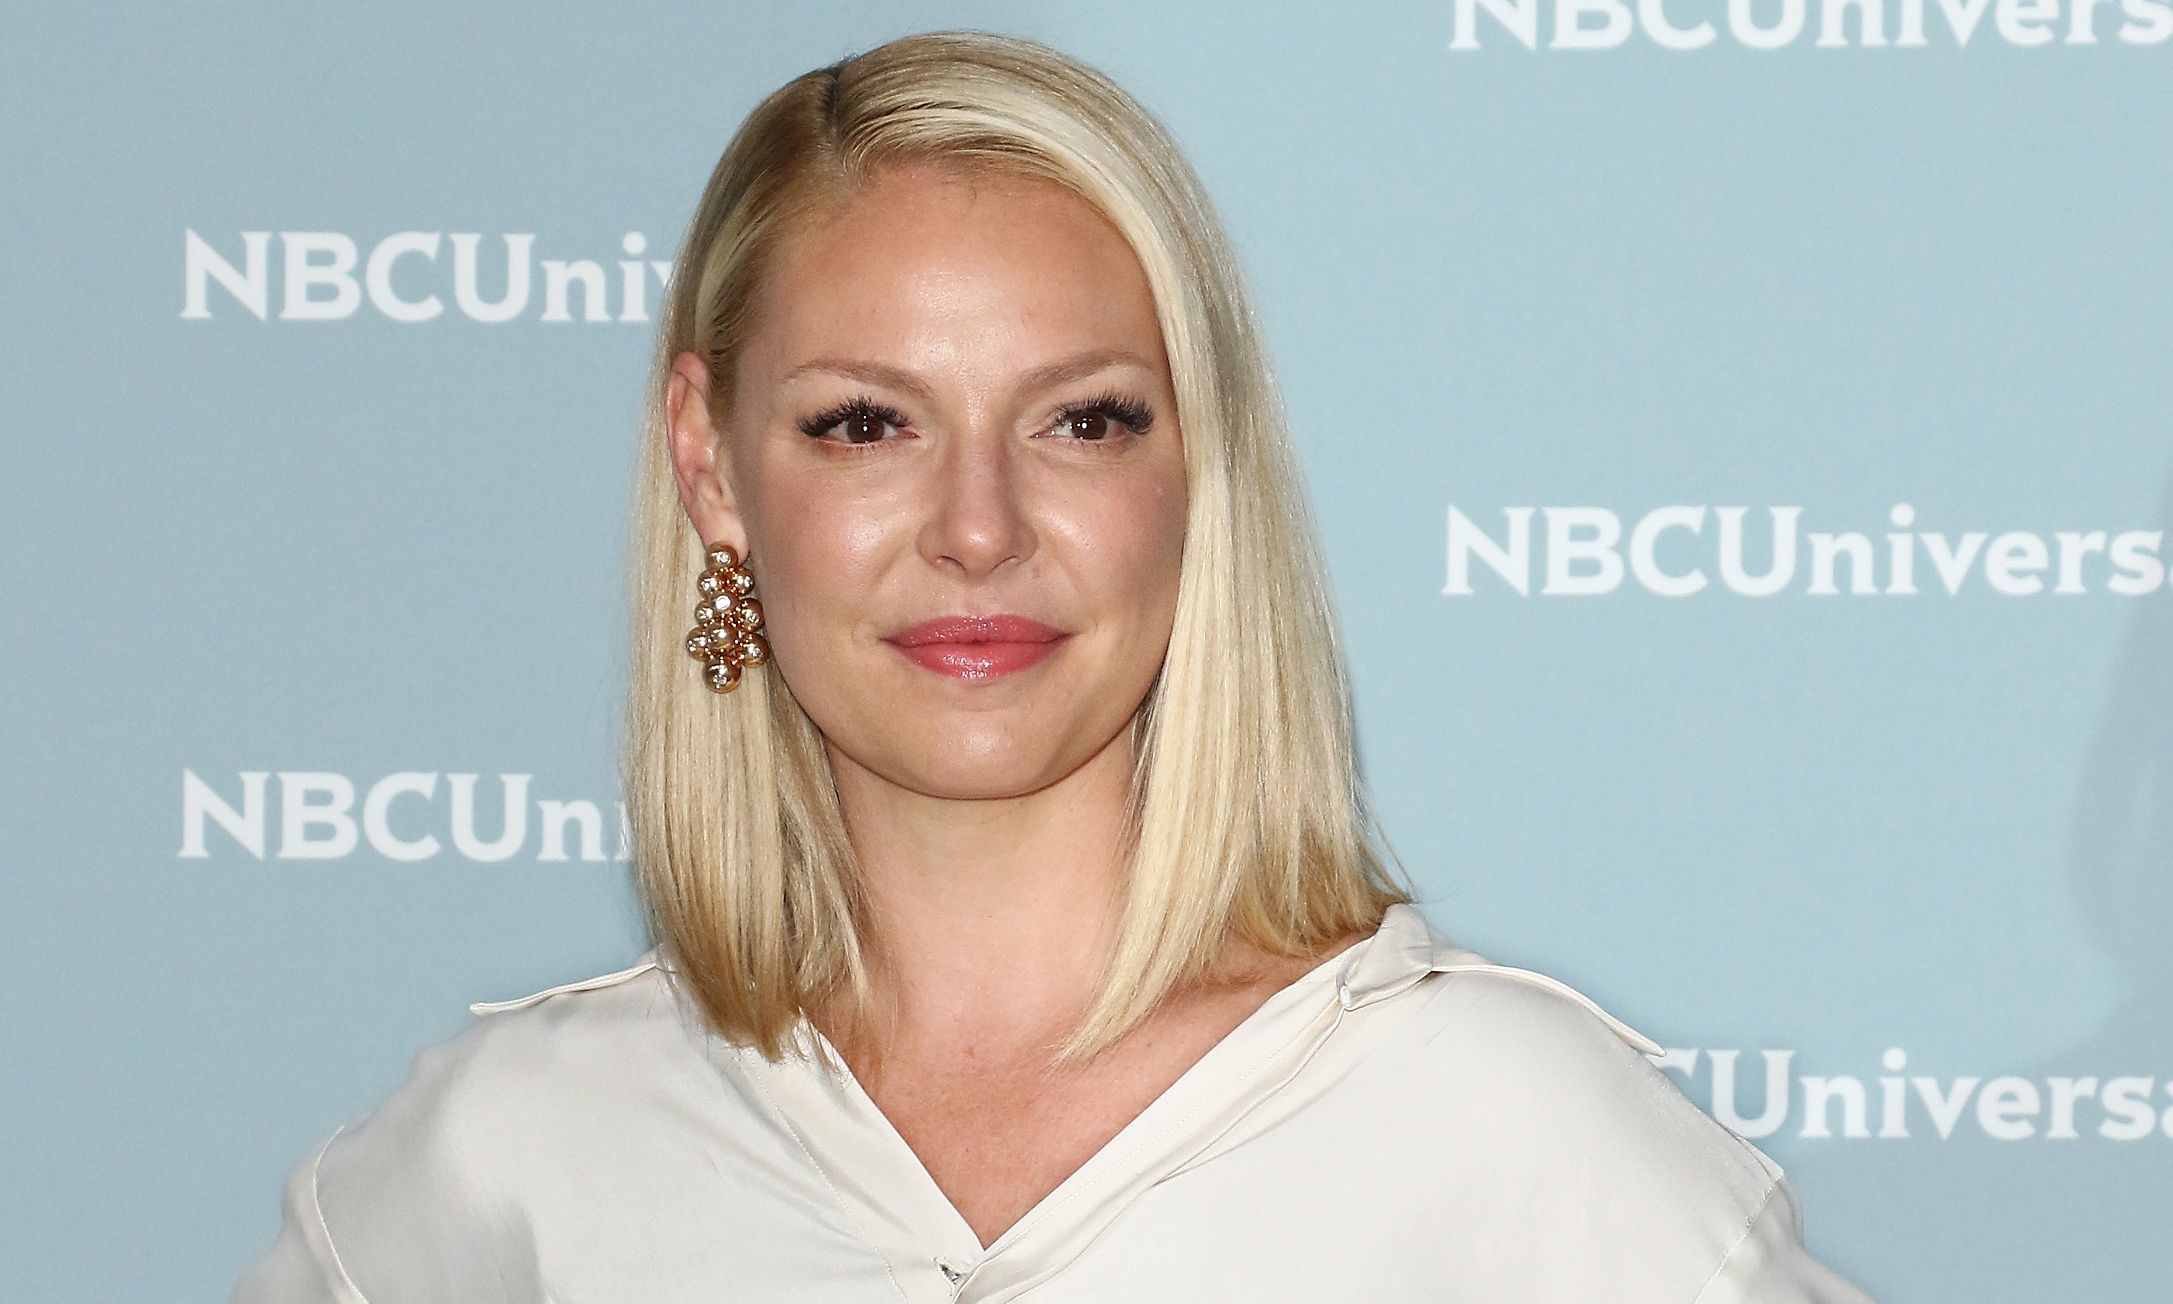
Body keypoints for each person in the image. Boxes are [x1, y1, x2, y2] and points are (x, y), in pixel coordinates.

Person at [230, 28, 1878, 1304]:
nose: (975, 527)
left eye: (1081, 420)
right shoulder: (515, 1154)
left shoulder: (1514, 1146)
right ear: (712, 464)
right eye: (864, 424)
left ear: (1193, 470)